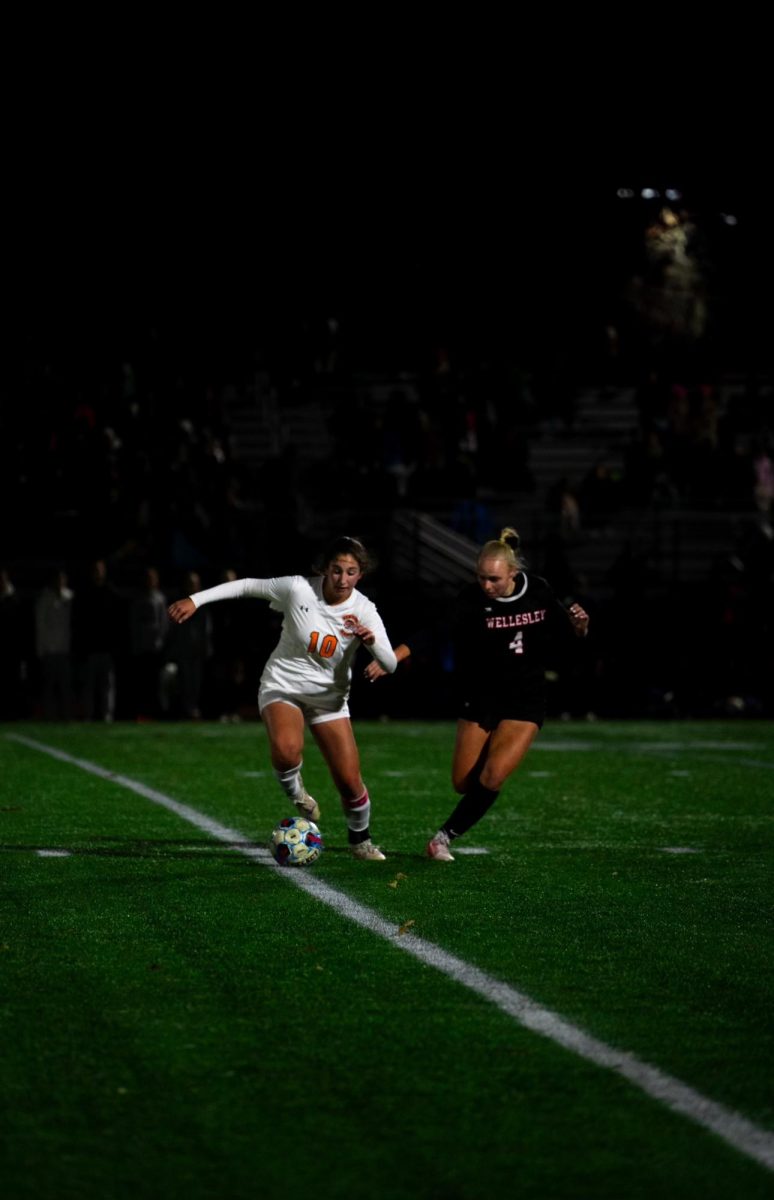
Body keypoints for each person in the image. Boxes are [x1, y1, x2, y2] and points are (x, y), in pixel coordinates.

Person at [365, 527, 589, 860]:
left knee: (493, 774)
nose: (486, 585)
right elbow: (434, 632)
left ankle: (442, 838)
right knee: (463, 783)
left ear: (513, 573)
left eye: (494, 579)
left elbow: (566, 634)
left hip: (526, 698)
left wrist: (580, 626)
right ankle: (486, 775)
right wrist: (392, 657)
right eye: (481, 578)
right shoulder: (471, 600)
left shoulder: (538, 591)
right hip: (481, 695)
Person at [167, 536, 397, 860]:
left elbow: (390, 663)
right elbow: (247, 585)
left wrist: (372, 642)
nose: (342, 579)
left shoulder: (364, 610)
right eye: (336, 570)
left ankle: (361, 841)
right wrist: (195, 599)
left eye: (351, 572)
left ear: (361, 575)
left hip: (329, 700)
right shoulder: (298, 588)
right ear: (324, 569)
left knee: (349, 781)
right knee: (287, 752)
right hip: (283, 685)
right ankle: (297, 793)